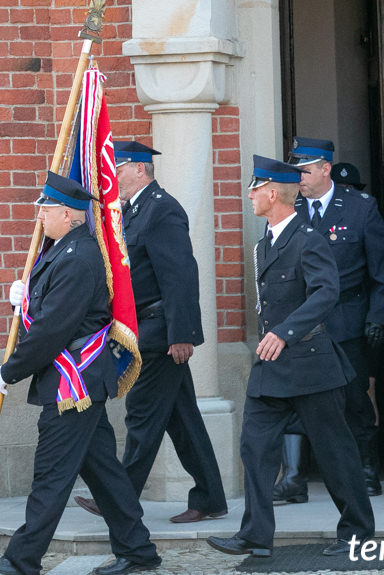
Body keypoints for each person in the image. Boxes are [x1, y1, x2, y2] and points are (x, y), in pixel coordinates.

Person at [0, 172, 160, 575]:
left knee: (52, 475)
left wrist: (11, 370)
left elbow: (54, 328)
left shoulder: (79, 257)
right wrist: (19, 304)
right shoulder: (60, 251)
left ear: (71, 215)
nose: (40, 215)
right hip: (76, 383)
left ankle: (22, 560)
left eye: (46, 208)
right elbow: (44, 315)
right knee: (104, 473)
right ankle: (138, 549)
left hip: (73, 384)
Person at [207, 155, 374, 559]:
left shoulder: (308, 239)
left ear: (271, 193)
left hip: (311, 364)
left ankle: (357, 532)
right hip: (272, 367)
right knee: (255, 446)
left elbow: (325, 293)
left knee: (335, 452)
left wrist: (285, 332)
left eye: (253, 189)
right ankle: (256, 535)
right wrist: (274, 337)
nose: (248, 195)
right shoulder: (265, 243)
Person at [73, 141, 227, 524]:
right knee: (182, 418)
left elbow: (180, 274)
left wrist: (183, 334)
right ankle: (209, 496)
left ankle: (119, 499)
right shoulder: (133, 209)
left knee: (141, 414)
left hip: (160, 332)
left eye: (119, 168)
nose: (114, 176)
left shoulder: (162, 209)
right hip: (143, 325)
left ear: (140, 169)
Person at [281, 138, 384, 499]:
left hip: (348, 319)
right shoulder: (288, 207)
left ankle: (364, 469)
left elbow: (383, 270)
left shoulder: (360, 208)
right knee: (296, 398)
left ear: (326, 169)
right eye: (296, 169)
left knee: (354, 398)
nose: (299, 177)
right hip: (301, 322)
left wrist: (378, 317)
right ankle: (294, 478)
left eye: (305, 169)